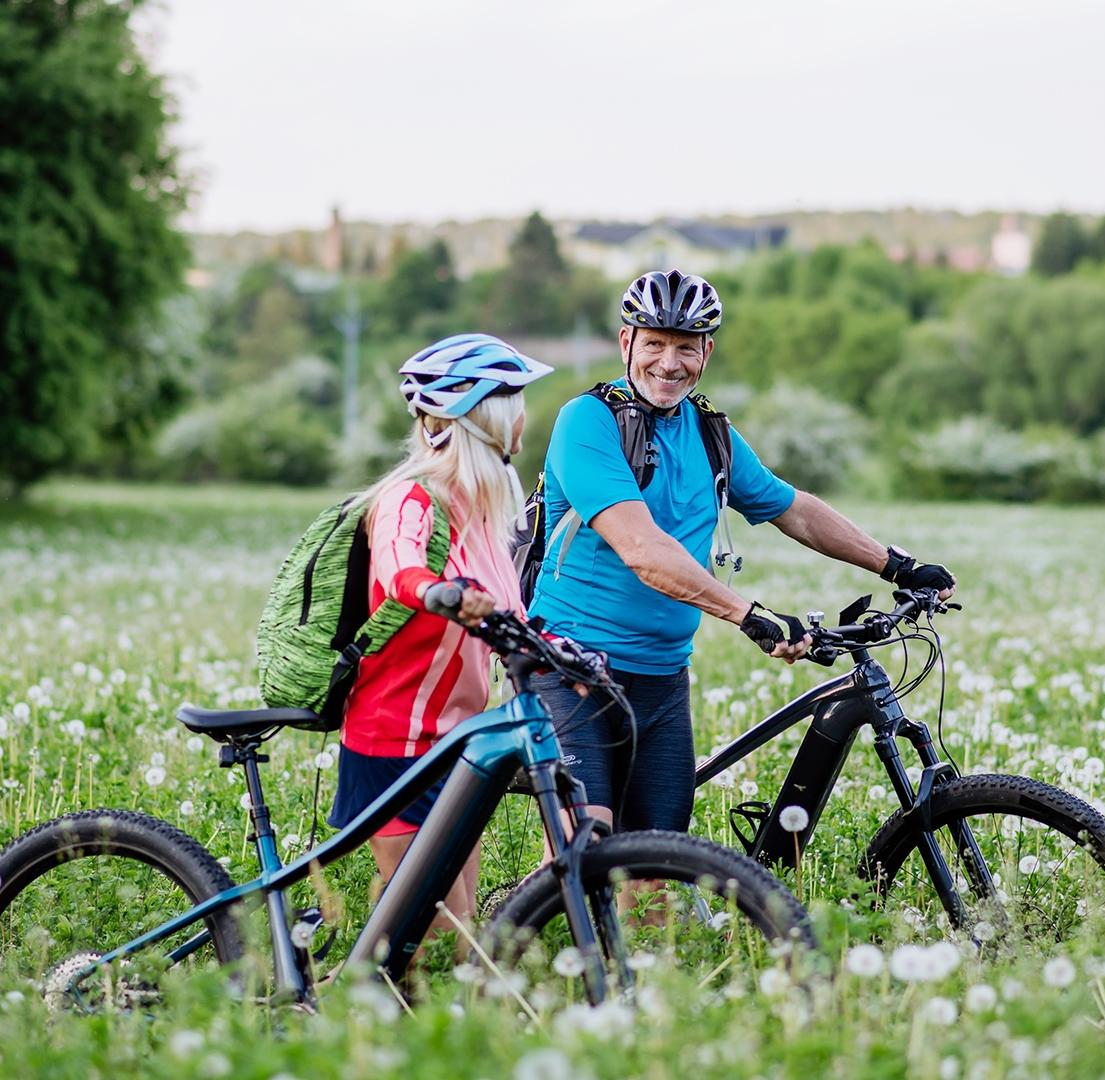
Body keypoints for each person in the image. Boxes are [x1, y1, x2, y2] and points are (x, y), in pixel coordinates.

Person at [527, 269, 957, 834]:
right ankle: (523, 923)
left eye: (686, 347)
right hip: (573, 668)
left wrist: (895, 564)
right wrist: (747, 614)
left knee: (654, 868)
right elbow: (640, 547)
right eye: (653, 343)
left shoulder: (709, 432)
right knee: (586, 846)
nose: (669, 362)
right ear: (626, 342)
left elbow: (794, 509)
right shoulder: (587, 421)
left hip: (661, 678)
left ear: (707, 351)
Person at [327, 332, 552, 945]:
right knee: (425, 929)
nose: (523, 417)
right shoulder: (410, 496)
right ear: (481, 418)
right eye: (511, 403)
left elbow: (513, 615)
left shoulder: (484, 510)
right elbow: (401, 571)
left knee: (459, 930)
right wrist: (439, 593)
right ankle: (350, 1017)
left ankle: (431, 1027)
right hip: (395, 739)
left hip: (459, 739)